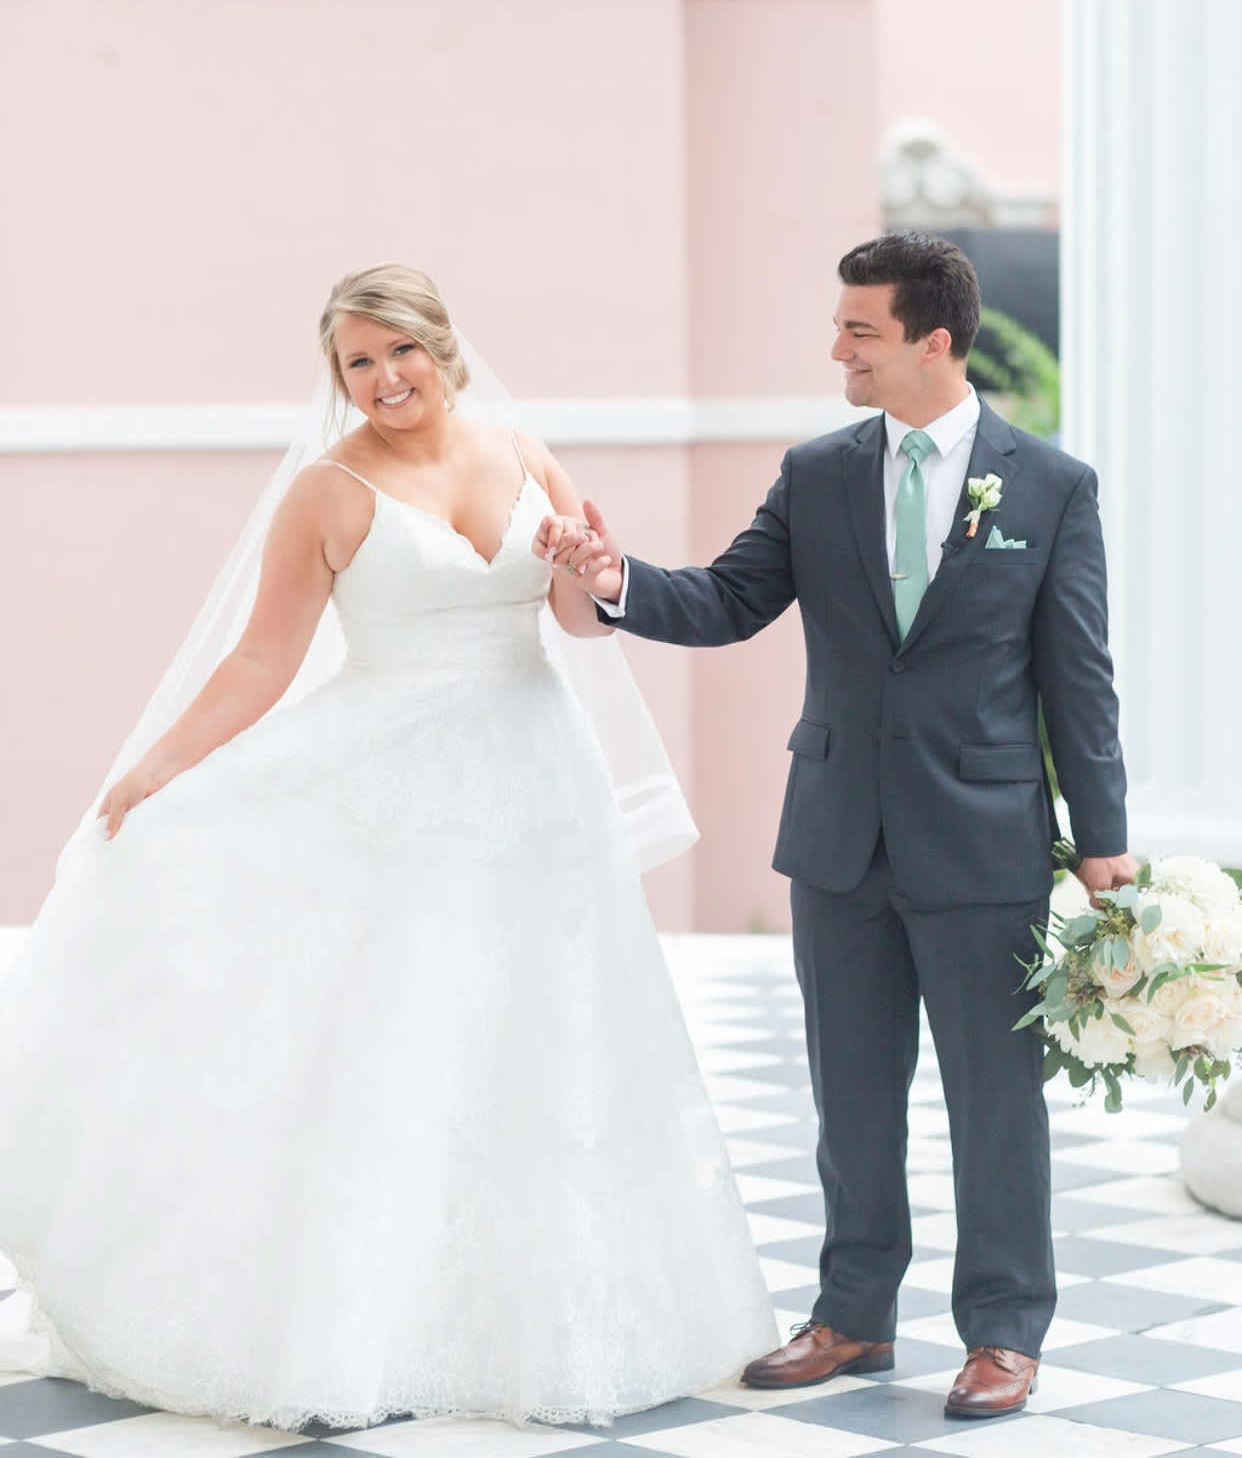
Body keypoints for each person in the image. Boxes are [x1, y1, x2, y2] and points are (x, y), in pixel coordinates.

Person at [0, 264, 777, 1434]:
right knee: (402, 1040)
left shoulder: (524, 454)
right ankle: (361, 1326)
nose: (382, 378)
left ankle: (539, 1323)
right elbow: (262, 659)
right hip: (393, 792)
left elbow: (577, 623)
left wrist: (586, 569)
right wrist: (157, 769)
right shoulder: (328, 490)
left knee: (545, 1032)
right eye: (357, 363)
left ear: (442, 348)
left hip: (536, 779)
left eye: (399, 351)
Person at [540, 231, 1136, 1423]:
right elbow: (727, 599)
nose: (838, 352)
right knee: (851, 1098)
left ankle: (1004, 1331)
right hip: (838, 838)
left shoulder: (1050, 486)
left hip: (984, 841)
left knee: (995, 1102)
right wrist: (613, 580)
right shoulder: (815, 473)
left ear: (934, 341)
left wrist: (1103, 836)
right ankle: (853, 1315)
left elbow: (1079, 675)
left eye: (860, 332)